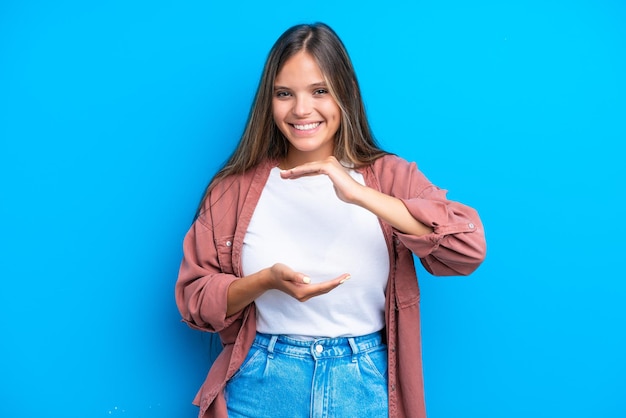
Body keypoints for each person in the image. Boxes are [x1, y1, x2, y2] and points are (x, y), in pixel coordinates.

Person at [176, 22, 486, 418]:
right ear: (268, 103)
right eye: (284, 94)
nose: (301, 110)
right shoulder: (232, 189)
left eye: (319, 91)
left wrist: (360, 193)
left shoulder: (390, 178)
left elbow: (467, 250)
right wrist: (265, 282)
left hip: (364, 383)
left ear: (345, 93)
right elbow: (194, 300)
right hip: (262, 382)